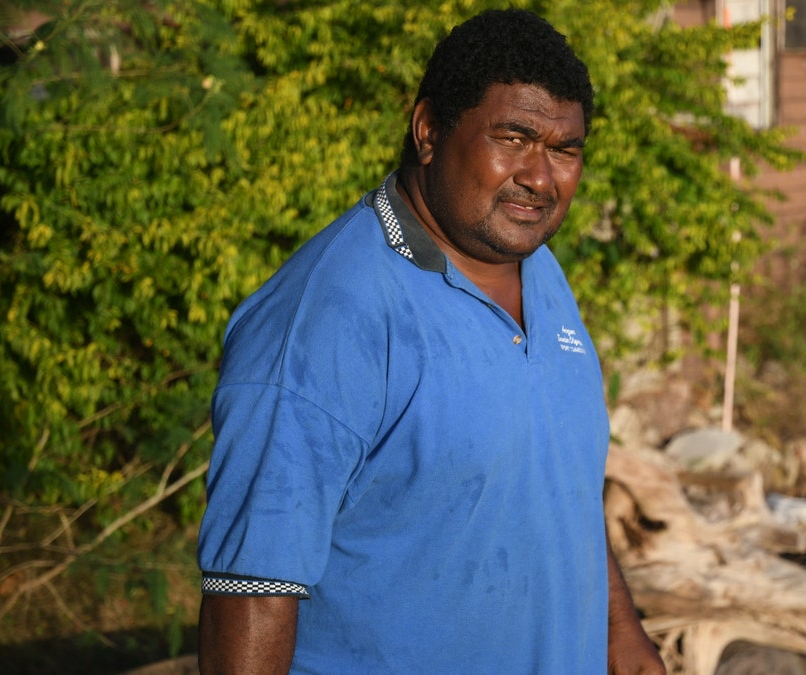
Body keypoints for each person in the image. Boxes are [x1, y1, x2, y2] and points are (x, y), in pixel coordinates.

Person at [195, 8, 666, 675]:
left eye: (565, 150)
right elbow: (251, 587)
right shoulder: (327, 318)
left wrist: (621, 632)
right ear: (428, 131)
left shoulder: (540, 270)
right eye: (513, 136)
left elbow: (553, 481)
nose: (541, 177)